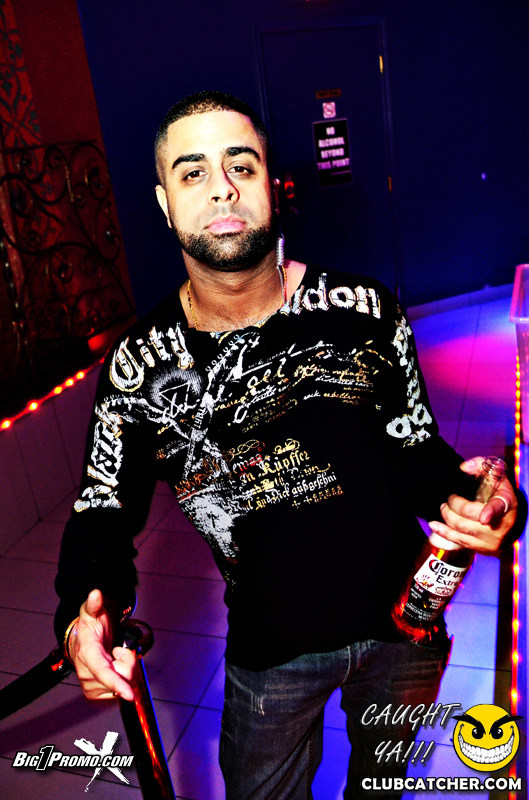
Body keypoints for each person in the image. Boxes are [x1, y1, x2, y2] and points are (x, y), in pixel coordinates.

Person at [55, 91, 521, 799]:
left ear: (272, 185)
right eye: (192, 172)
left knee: (382, 786)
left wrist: (481, 500)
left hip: (405, 628)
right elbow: (102, 510)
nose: (221, 187)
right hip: (270, 654)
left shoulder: (366, 312)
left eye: (241, 165)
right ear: (164, 204)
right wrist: (80, 616)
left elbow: (414, 452)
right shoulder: (140, 366)